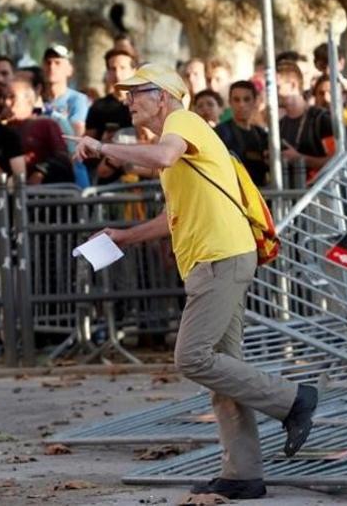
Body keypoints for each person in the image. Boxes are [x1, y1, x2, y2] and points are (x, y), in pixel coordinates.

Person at [69, 63, 318, 500]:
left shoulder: (182, 122)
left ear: (162, 96)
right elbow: (174, 216)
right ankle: (243, 474)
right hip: (218, 258)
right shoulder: (179, 146)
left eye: (136, 93)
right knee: (223, 369)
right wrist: (124, 236)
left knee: (192, 357)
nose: (128, 101)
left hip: (220, 258)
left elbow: (161, 156)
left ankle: (294, 399)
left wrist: (102, 146)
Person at [5, 79, 74, 185]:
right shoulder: (1, 128)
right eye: (4, 97)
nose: (6, 102)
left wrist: (41, 171)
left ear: (28, 100)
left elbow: (62, 159)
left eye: (12, 97)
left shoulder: (46, 124)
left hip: (44, 194)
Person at [277, 62, 334, 184]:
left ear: (293, 85)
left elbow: (338, 159)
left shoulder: (320, 119)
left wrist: (300, 159)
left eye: (277, 87)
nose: (270, 94)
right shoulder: (280, 125)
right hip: (291, 196)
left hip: (321, 195)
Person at [86, 48, 137, 185]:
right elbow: (87, 147)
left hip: (143, 176)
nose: (117, 74)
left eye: (122, 68)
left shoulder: (144, 103)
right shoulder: (98, 106)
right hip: (108, 181)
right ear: (107, 73)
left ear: (134, 71)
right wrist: (102, 144)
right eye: (112, 69)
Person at [42, 45, 91, 187]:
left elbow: (76, 137)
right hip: (44, 165)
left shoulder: (78, 99)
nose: (52, 67)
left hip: (71, 164)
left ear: (69, 69)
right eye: (48, 62)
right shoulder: (36, 100)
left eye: (57, 62)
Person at [215, 80, 270, 186]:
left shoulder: (261, 134)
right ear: (230, 102)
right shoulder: (220, 132)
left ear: (255, 102)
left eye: (246, 99)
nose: (241, 104)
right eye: (236, 100)